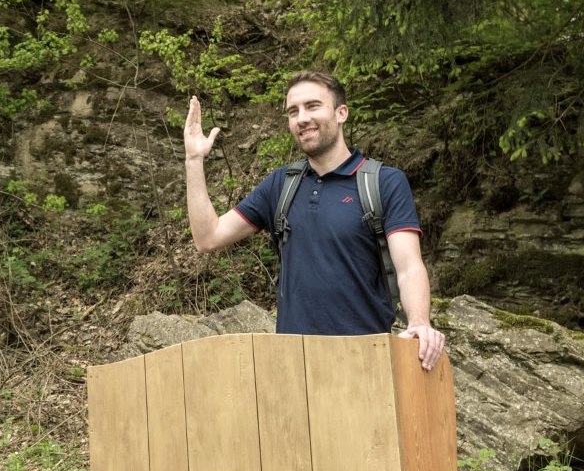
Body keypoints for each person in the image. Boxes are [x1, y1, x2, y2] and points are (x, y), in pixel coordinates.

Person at [183, 71, 446, 371]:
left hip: (366, 364)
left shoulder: (384, 182)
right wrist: (194, 160)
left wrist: (419, 323)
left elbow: (409, 266)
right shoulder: (281, 184)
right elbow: (208, 237)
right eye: (293, 111)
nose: (301, 118)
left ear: (341, 113)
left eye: (312, 106)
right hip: (294, 367)